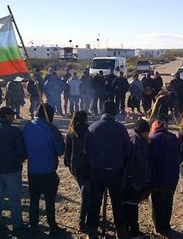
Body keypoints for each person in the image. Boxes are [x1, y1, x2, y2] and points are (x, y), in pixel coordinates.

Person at [84, 101, 131, 237]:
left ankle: (92, 230)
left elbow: (86, 150)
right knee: (117, 201)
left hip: (96, 170)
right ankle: (120, 230)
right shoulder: (121, 128)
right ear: (114, 113)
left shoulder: (92, 127)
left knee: (94, 201)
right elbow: (127, 151)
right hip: (115, 171)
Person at [23, 104, 65, 235]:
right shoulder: (50, 128)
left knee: (34, 200)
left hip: (33, 170)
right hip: (48, 171)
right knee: (49, 200)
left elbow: (23, 148)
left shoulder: (27, 126)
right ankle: (52, 225)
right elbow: (60, 150)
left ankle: (33, 225)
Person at [149, 114, 180, 236]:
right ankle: (166, 225)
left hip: (158, 177)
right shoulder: (173, 137)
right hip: (172, 176)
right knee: (168, 201)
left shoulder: (153, 139)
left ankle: (158, 228)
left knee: (157, 203)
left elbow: (150, 159)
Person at [123, 119, 151, 237]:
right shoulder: (138, 142)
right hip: (134, 180)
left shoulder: (131, 135)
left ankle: (125, 228)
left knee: (126, 206)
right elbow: (139, 162)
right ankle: (133, 231)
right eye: (146, 132)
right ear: (142, 131)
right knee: (132, 206)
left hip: (127, 179)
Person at [64, 111, 90, 232]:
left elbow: (67, 150)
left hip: (75, 166)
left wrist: (68, 163)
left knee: (85, 190)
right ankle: (82, 220)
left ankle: (87, 214)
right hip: (87, 166)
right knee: (86, 193)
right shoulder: (89, 130)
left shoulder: (71, 131)